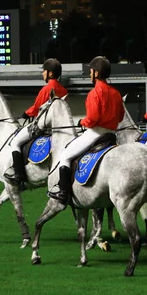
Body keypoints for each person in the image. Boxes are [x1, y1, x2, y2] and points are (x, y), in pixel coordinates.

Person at [47, 56, 124, 207]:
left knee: (65, 156)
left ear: (96, 73)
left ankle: (63, 192)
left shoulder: (95, 93)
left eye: (91, 71)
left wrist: (82, 122)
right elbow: (120, 116)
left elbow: (93, 118)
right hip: (111, 134)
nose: (90, 74)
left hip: (95, 133)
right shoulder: (116, 93)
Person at [3, 58, 68, 182]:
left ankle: (19, 174)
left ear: (50, 73)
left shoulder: (47, 89)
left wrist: (26, 113)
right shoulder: (63, 90)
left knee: (15, 142)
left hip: (41, 127)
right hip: (56, 128)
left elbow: (37, 108)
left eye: (44, 71)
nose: (42, 74)